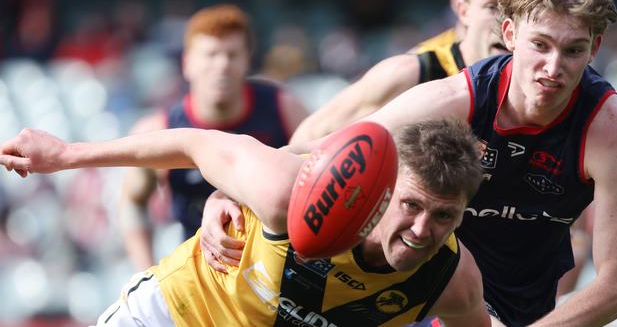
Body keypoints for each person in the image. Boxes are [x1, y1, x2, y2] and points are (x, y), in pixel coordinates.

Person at [242, 0, 617, 325]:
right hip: (412, 285)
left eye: (573, 50)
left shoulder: (609, 133)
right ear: (510, 34)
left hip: (518, 306)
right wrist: (229, 196)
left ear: (594, 48)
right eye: (540, 45)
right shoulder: (452, 98)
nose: (553, 68)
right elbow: (323, 151)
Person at [0, 119, 493, 326]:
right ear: (382, 192)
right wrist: (65, 155)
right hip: (174, 316)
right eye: (411, 206)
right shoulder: (290, 192)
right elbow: (195, 145)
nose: (422, 230)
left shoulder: (451, 280)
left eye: (444, 216)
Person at [119, 4, 308, 270]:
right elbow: (133, 202)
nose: (222, 65)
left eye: (232, 54)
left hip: (278, 273)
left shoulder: (284, 109)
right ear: (188, 63)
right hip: (202, 281)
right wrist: (146, 270)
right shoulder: (158, 131)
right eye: (211, 54)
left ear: (247, 60)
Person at [288, 0, 512, 144]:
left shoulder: (541, 83)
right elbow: (309, 138)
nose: (504, 22)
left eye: (514, 9)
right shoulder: (417, 71)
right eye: (492, 6)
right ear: (460, 6)